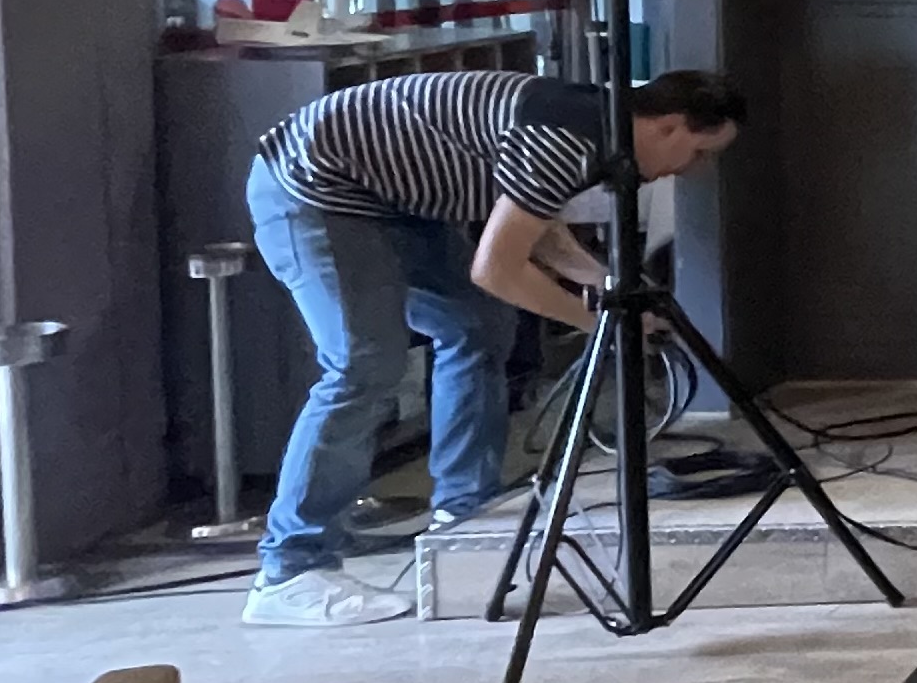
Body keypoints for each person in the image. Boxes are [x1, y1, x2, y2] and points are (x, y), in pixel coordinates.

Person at [236, 67, 747, 627]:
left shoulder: (592, 124)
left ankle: (463, 512)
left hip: (385, 198)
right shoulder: (569, 138)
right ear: (669, 126)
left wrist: (611, 288)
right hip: (312, 187)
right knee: (365, 365)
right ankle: (289, 570)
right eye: (700, 151)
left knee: (476, 326)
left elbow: (538, 230)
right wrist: (596, 321)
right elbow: (496, 268)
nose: (694, 169)